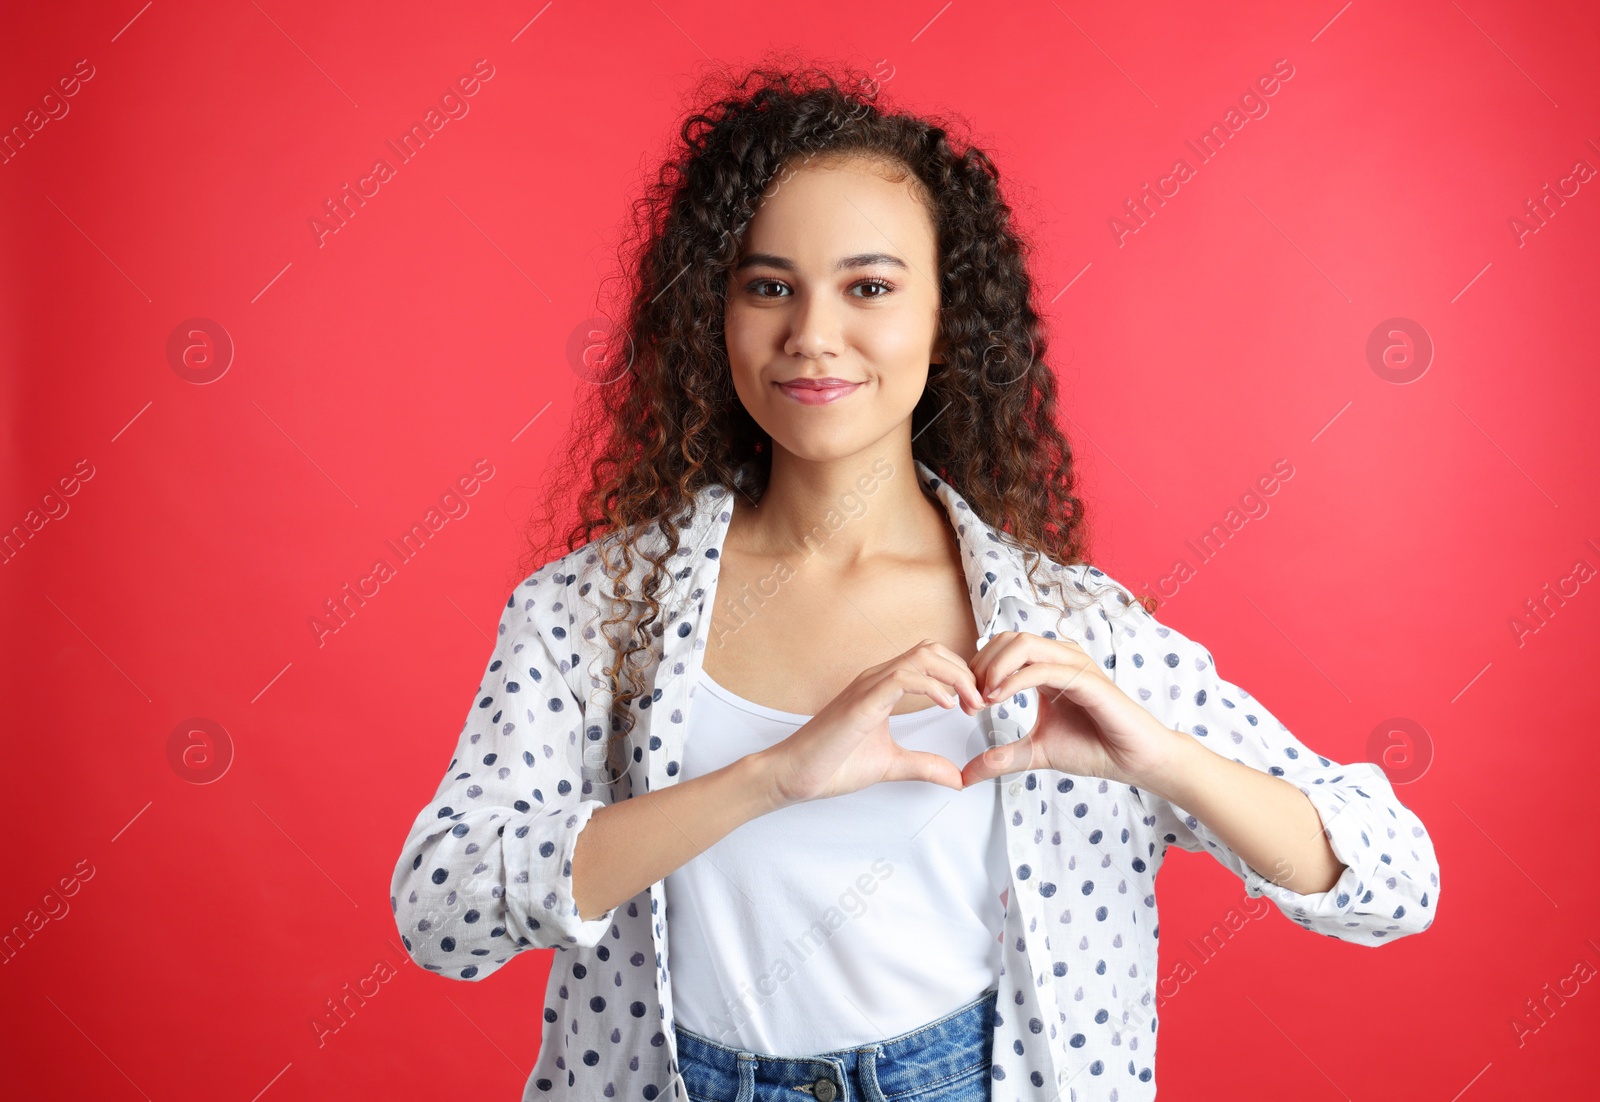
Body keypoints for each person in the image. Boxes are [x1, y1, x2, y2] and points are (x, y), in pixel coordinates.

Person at [390, 62, 1440, 1102]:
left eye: (870, 287)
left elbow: (1394, 882)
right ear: (713, 313)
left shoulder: (1072, 630)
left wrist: (1163, 759)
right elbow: (440, 911)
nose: (811, 334)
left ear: (945, 321)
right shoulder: (594, 612)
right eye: (768, 286)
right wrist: (770, 776)